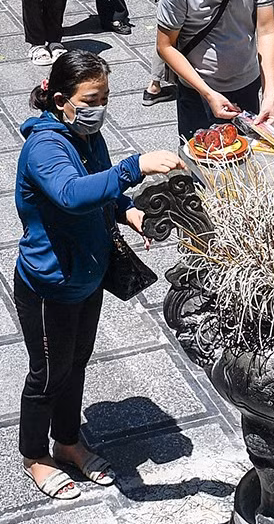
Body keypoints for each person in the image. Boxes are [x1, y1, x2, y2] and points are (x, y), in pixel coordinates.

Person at [14, 50, 183, 499]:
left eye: (105, 96)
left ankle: (68, 442)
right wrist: (134, 168)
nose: (99, 107)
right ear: (58, 98)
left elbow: (102, 188)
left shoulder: (90, 136)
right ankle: (34, 455)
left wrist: (129, 212)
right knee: (48, 373)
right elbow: (71, 194)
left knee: (76, 365)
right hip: (50, 285)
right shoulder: (45, 147)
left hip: (87, 277)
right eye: (91, 98)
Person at [155, 0, 274, 137]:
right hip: (199, 89)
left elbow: (266, 31)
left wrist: (269, 96)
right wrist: (208, 94)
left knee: (248, 155)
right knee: (201, 158)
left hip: (246, 80)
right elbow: (165, 46)